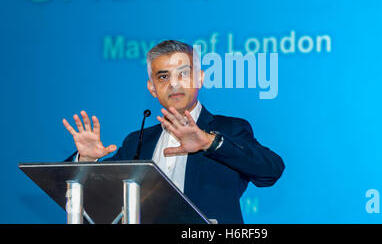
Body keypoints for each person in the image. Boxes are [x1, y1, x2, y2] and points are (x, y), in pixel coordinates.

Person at [63, 40, 284, 224]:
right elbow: (94, 198)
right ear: (152, 88)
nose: (174, 84)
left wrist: (209, 142)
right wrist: (86, 160)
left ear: (200, 78)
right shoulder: (137, 142)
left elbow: (270, 171)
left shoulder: (229, 128)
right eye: (163, 77)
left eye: (183, 73)